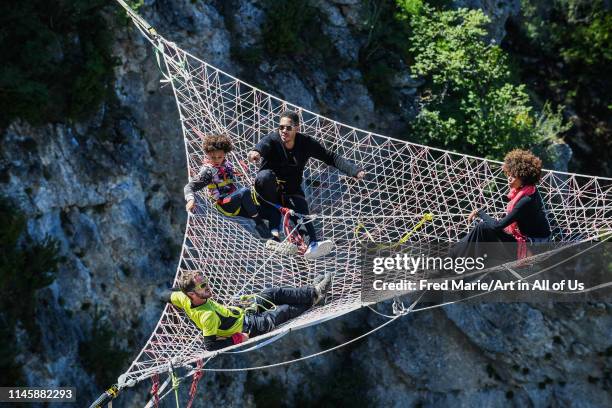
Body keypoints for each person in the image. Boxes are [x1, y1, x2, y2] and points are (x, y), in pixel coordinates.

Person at [247, 110, 365, 259]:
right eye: (281, 127)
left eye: (288, 127)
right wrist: (255, 152)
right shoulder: (273, 140)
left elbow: (330, 157)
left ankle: (310, 246)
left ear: (297, 128)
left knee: (304, 218)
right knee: (265, 176)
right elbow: (263, 145)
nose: (284, 131)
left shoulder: (305, 143)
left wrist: (354, 170)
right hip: (267, 192)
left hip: (291, 190)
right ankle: (275, 229)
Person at [166, 270, 333, 351]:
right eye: (203, 286)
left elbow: (167, 295)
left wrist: (159, 292)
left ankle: (312, 292)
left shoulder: (182, 298)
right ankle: (316, 297)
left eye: (206, 281)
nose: (208, 287)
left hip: (244, 312)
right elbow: (210, 346)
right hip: (251, 327)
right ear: (192, 294)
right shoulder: (207, 317)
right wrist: (238, 339)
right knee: (284, 311)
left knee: (273, 293)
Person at [451, 149, 551, 261]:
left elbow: (498, 226)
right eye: (509, 174)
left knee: (484, 227)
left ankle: (455, 258)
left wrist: (480, 212)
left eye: (514, 176)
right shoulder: (529, 190)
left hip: (535, 246)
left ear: (524, 178)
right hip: (529, 239)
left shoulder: (526, 200)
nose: (509, 178)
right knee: (482, 229)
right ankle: (456, 257)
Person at [184, 134, 269, 238]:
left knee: (270, 213)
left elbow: (232, 173)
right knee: (244, 192)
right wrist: (190, 200)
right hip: (224, 204)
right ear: (207, 154)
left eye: (219, 157)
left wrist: (242, 170)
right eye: (212, 157)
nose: (216, 159)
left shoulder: (227, 164)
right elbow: (189, 187)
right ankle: (259, 224)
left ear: (224, 154)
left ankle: (273, 238)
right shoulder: (207, 171)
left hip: (236, 201)